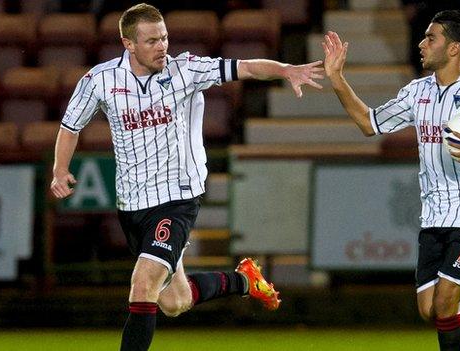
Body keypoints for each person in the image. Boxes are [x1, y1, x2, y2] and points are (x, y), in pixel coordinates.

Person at [50, 3, 324, 351]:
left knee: (143, 285)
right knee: (174, 301)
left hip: (177, 199)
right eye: (151, 41)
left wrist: (285, 70)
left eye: (164, 37)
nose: (162, 46)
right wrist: (60, 169)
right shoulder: (100, 80)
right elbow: (70, 125)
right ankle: (244, 281)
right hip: (133, 205)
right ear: (128, 43)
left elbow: (245, 68)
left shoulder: (187, 70)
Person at [322, 10, 460, 351]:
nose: (421, 44)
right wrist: (337, 78)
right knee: (430, 310)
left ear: (453, 49)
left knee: (444, 305)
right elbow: (369, 123)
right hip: (435, 210)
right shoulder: (416, 92)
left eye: (430, 38)